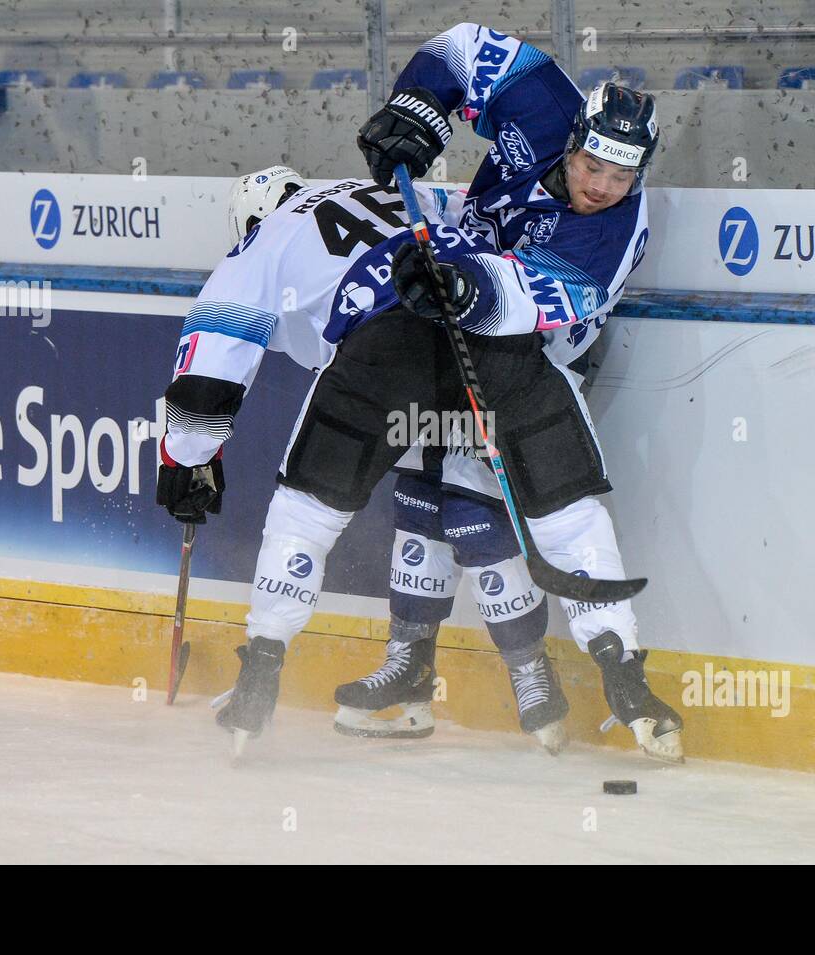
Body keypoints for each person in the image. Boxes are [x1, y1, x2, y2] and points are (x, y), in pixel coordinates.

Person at [159, 24, 683, 762]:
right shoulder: (536, 107)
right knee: (478, 498)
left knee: (387, 493)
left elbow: (212, 362)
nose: (602, 187)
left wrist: (185, 460)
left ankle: (275, 665)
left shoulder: (612, 234)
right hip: (445, 298)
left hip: (523, 331)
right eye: (594, 164)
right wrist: (422, 105)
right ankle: (588, 677)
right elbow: (465, 48)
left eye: (621, 177)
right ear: (572, 137)